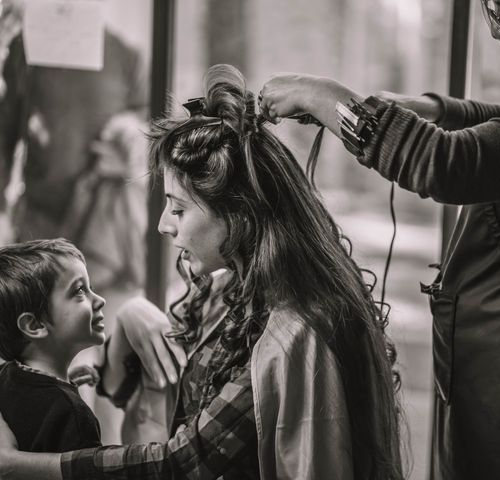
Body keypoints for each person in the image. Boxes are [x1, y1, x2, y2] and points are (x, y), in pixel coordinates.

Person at [254, 1, 500, 479]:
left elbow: (449, 165)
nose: (498, 30)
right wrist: (434, 109)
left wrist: (326, 97)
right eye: (490, 10)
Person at [0, 64, 404, 480]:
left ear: (239, 216)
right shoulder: (226, 288)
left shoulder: (296, 331)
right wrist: (131, 316)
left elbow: (185, 460)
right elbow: (138, 385)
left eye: (178, 208)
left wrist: (19, 468)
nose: (163, 224)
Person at [0, 18, 149, 443]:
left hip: (105, 231)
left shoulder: (125, 50)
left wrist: (129, 151)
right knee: (35, 346)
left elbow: (147, 129)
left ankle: (99, 437)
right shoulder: (25, 47)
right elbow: (6, 131)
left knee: (97, 340)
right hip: (42, 224)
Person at [0, 238, 106, 452]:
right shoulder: (73, 415)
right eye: (79, 291)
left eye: (90, 287)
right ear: (34, 324)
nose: (100, 300)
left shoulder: (6, 376)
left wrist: (66, 381)